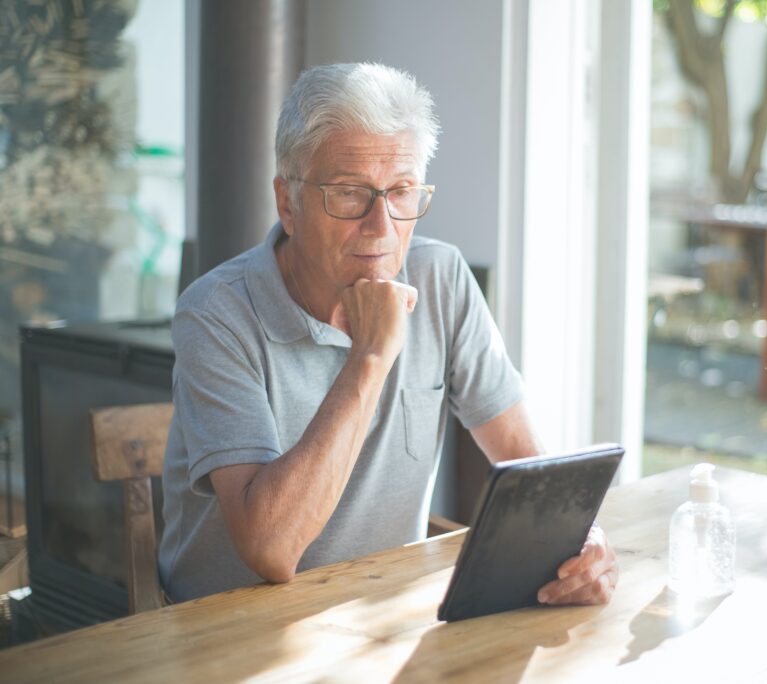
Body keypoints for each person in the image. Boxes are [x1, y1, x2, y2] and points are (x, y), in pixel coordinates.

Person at [158, 62, 618, 606]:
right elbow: (271, 550)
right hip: (227, 629)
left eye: (401, 192)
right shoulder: (215, 313)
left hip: (381, 614)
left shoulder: (440, 277)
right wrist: (371, 356)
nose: (381, 228)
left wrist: (576, 542)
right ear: (289, 203)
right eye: (350, 194)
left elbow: (524, 460)